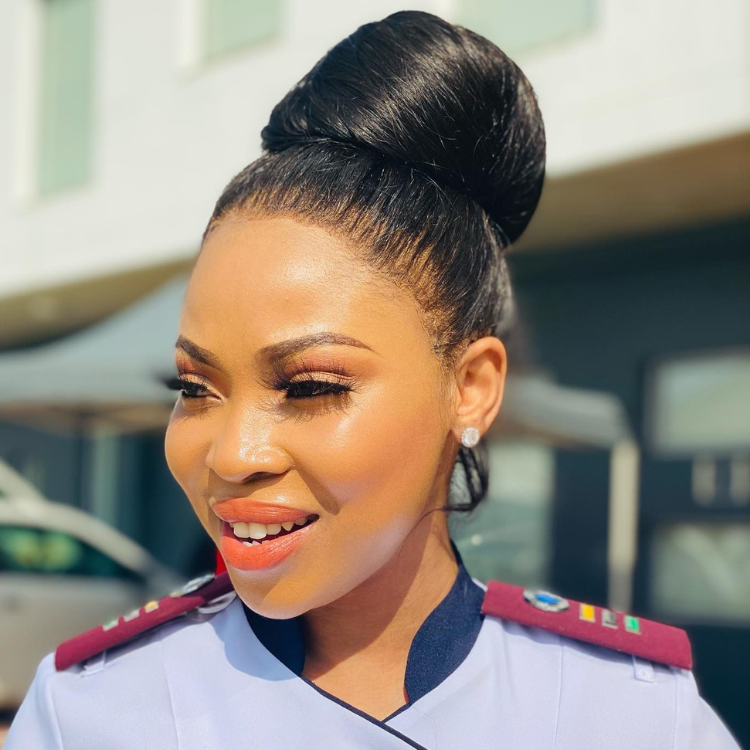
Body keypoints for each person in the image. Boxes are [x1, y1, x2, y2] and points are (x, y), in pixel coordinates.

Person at [6, 11, 740, 749]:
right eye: (195, 388)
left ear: (471, 388)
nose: (232, 455)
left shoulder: (629, 718)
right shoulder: (93, 713)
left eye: (310, 387)